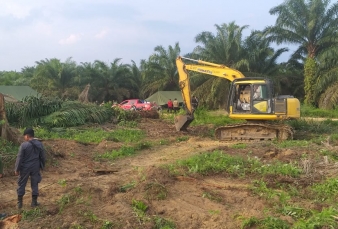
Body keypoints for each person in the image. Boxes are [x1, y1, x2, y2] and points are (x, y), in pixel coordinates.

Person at [15, 128, 46, 209]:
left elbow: (19, 158)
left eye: (24, 136)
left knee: (22, 183)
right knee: (35, 183)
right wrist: (42, 166)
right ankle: (34, 202)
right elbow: (43, 156)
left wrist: (17, 169)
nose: (24, 137)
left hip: (25, 167)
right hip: (35, 166)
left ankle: (20, 203)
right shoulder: (39, 144)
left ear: (27, 136)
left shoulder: (24, 145)